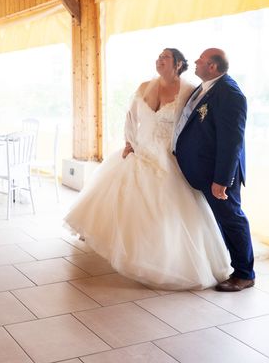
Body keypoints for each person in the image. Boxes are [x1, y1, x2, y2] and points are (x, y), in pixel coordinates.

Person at [64, 49, 230, 290]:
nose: (159, 59)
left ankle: (157, 258)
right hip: (139, 150)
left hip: (167, 156)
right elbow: (130, 117)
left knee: (163, 208)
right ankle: (123, 248)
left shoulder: (189, 90)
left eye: (165, 57)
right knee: (121, 199)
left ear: (178, 64)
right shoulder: (144, 86)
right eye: (158, 56)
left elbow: (193, 126)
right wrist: (129, 142)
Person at [173, 48, 254, 291]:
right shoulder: (206, 86)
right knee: (221, 220)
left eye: (200, 59)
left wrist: (222, 179)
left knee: (231, 219)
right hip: (203, 170)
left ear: (212, 66)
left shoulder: (230, 93)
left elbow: (232, 141)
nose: (195, 61)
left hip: (218, 173)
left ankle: (244, 273)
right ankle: (231, 265)